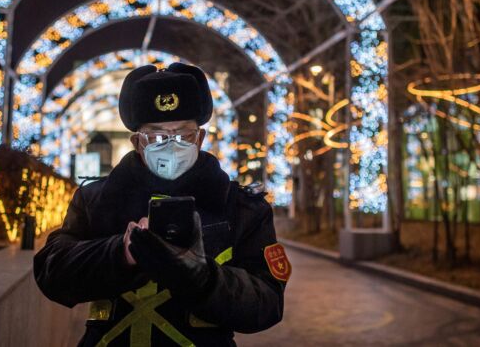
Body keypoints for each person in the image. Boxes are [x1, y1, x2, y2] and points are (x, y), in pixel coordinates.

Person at [34, 62, 290, 347]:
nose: (171, 145)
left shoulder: (240, 207)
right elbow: (51, 273)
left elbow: (267, 304)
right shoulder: (95, 200)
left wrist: (203, 278)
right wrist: (121, 252)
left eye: (183, 135)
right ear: (136, 141)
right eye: (156, 136)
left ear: (201, 138)